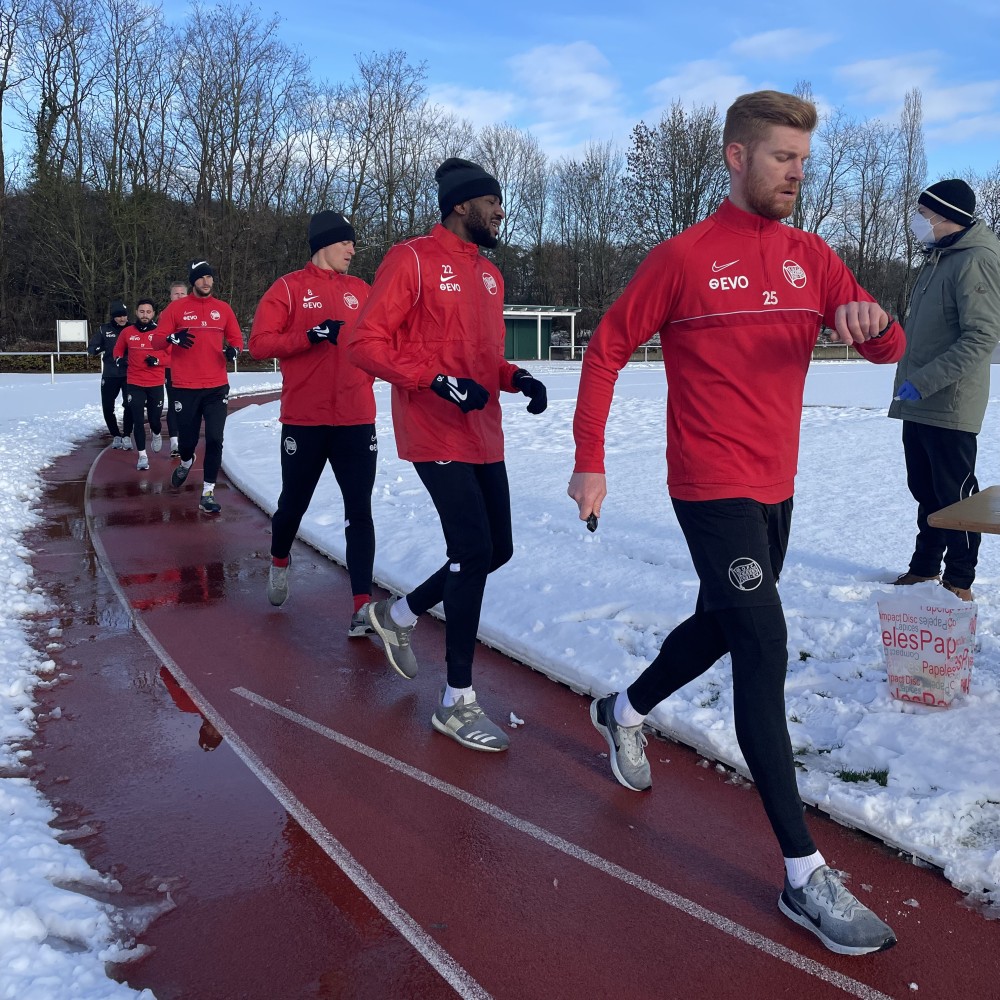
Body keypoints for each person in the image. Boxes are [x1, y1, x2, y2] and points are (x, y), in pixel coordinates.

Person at [568, 91, 902, 956]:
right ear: (736, 156)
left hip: (775, 487)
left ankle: (625, 708)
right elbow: (606, 347)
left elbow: (883, 345)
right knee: (762, 646)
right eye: (781, 156)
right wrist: (591, 458)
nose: (796, 171)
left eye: (802, 158)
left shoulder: (812, 257)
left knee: (723, 624)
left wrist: (875, 323)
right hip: (708, 485)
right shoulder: (681, 259)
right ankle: (802, 875)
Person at [347, 157, 548, 752]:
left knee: (499, 548)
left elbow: (481, 358)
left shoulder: (489, 274)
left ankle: (399, 615)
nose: (500, 213)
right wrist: (435, 381)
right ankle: (456, 702)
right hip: (434, 429)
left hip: (483, 429)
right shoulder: (410, 259)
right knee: (473, 549)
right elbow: (366, 343)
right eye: (492, 202)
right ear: (462, 204)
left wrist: (516, 377)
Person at [249, 211, 377, 634]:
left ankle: (362, 608)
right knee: (293, 505)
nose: (353, 250)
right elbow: (259, 344)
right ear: (325, 243)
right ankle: (280, 560)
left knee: (359, 511)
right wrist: (310, 336)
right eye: (346, 242)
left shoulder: (362, 290)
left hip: (357, 420)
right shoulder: (288, 288)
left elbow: (383, 341)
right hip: (304, 422)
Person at [888, 179, 1000, 602]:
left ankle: (959, 579)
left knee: (956, 497)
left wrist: (926, 380)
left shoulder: (975, 261)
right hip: (918, 401)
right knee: (925, 490)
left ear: (946, 216)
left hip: (949, 402)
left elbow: (980, 338)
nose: (918, 221)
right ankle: (924, 568)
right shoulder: (938, 258)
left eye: (924, 214)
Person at [150, 259, 243, 514]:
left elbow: (236, 338)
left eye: (209, 277)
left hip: (216, 387)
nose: (206, 281)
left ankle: (208, 492)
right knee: (188, 441)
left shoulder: (223, 309)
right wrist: (172, 337)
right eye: (201, 277)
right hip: (185, 387)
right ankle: (187, 460)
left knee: (215, 438)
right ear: (194, 281)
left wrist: (234, 350)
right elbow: (157, 340)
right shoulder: (177, 309)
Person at [112, 298, 170, 471]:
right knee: (138, 420)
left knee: (154, 420)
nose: (145, 315)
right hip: (134, 382)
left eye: (148, 312)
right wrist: (118, 359)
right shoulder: (127, 332)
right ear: (136, 312)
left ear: (153, 314)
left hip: (155, 382)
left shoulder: (161, 332)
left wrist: (157, 360)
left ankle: (157, 432)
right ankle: (142, 456)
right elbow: (118, 349)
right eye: (142, 311)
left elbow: (172, 356)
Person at [87, 299, 134, 449]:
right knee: (107, 407)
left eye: (124, 316)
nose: (122, 319)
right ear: (113, 316)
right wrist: (95, 349)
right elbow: (92, 347)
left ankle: (127, 435)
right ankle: (116, 435)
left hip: (129, 374)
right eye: (119, 316)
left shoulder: (133, 328)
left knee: (130, 405)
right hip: (110, 374)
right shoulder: (104, 329)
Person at [164, 280, 188, 458]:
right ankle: (174, 442)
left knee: (190, 405)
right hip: (171, 366)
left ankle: (187, 439)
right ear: (170, 296)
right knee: (174, 403)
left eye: (182, 293)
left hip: (193, 367)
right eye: (176, 294)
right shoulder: (166, 314)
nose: (179, 296)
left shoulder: (194, 312)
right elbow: (159, 341)